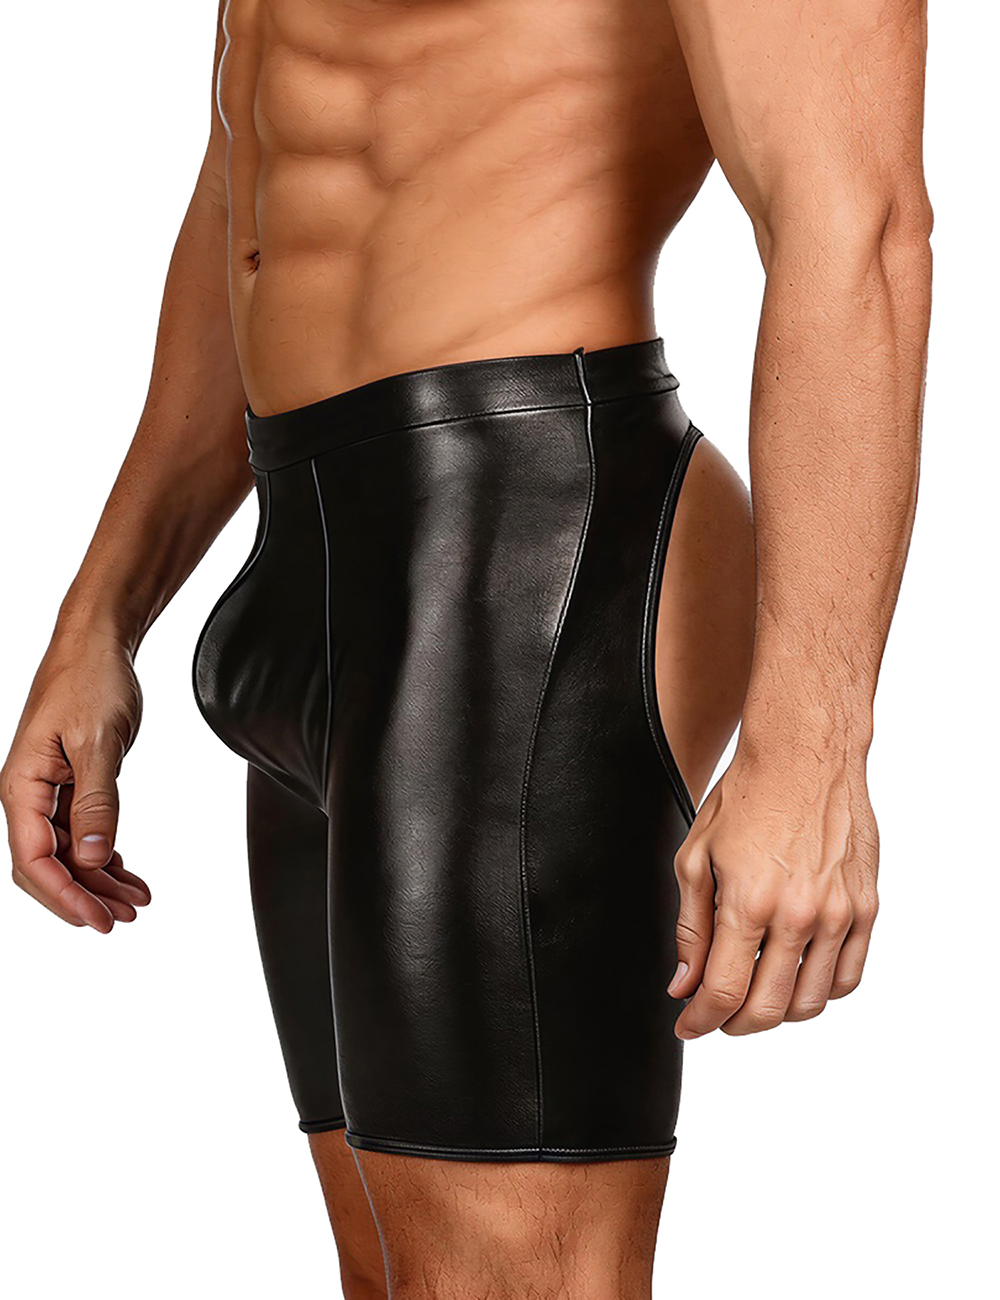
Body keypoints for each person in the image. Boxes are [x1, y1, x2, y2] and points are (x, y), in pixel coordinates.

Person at [1, 1, 932, 1296]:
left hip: (534, 541)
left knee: (509, 1279)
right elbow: (254, 179)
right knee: (395, 1275)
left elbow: (856, 220)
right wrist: (100, 616)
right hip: (311, 547)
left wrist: (815, 750)